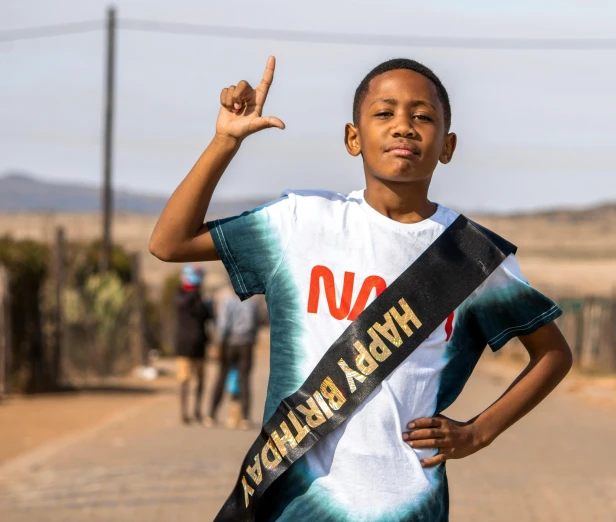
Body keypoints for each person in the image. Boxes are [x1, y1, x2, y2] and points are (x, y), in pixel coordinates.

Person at [149, 56, 573, 521]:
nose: (404, 127)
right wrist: (225, 141)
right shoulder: (302, 222)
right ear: (353, 138)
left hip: (407, 505)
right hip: (293, 503)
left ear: (447, 146)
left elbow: (553, 354)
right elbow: (170, 243)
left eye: (423, 116)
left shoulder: (473, 257)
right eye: (384, 113)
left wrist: (478, 432)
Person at [205, 292, 260, 430]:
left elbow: (223, 324)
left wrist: (219, 342)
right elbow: (255, 325)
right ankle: (245, 418)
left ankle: (211, 414)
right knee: (244, 380)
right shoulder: (252, 303)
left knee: (222, 377)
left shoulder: (228, 301)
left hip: (229, 343)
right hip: (246, 344)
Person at [174, 264, 210, 425]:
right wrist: (193, 292)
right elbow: (182, 305)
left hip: (200, 345)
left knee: (200, 381)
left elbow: (208, 315)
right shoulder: (181, 295)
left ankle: (197, 410)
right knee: (184, 380)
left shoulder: (201, 297)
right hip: (184, 346)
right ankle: (184, 413)